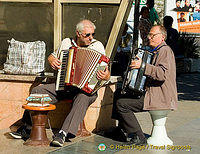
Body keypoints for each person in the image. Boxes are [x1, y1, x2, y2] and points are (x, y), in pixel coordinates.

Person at [9, 19, 110, 147]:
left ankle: (63, 133)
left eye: (92, 34)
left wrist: (106, 76)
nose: (91, 38)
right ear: (78, 34)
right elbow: (52, 56)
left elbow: (106, 72)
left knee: (82, 98)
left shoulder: (97, 46)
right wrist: (51, 59)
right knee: (37, 91)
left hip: (87, 90)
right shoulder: (66, 43)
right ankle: (28, 127)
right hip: (64, 86)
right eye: (87, 35)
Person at [111, 25, 178, 145]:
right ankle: (121, 130)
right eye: (149, 34)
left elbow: (162, 74)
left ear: (162, 37)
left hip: (160, 97)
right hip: (151, 93)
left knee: (122, 104)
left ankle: (138, 136)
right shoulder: (156, 51)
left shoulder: (165, 51)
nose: (149, 37)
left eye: (153, 35)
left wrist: (142, 66)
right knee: (118, 93)